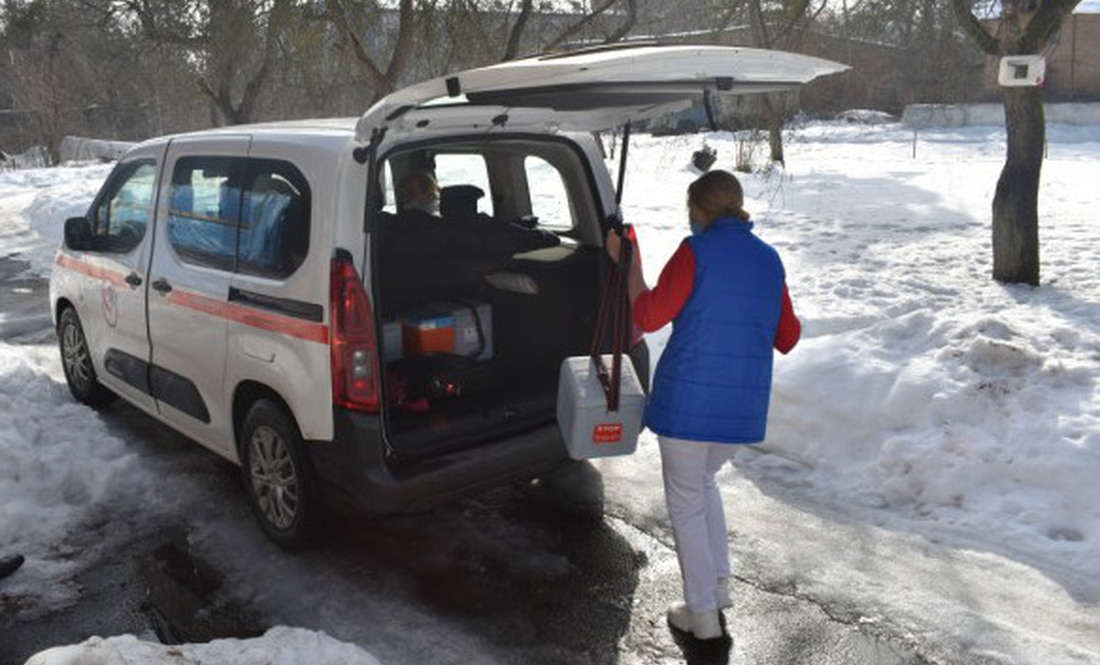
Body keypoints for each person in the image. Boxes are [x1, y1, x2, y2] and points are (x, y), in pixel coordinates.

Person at [606, 169, 801, 640]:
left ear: (698, 210)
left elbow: (650, 315)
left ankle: (701, 615)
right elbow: (788, 337)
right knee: (704, 484)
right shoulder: (769, 259)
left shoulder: (695, 252)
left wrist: (628, 269)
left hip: (689, 405)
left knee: (687, 502)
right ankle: (718, 586)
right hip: (741, 411)